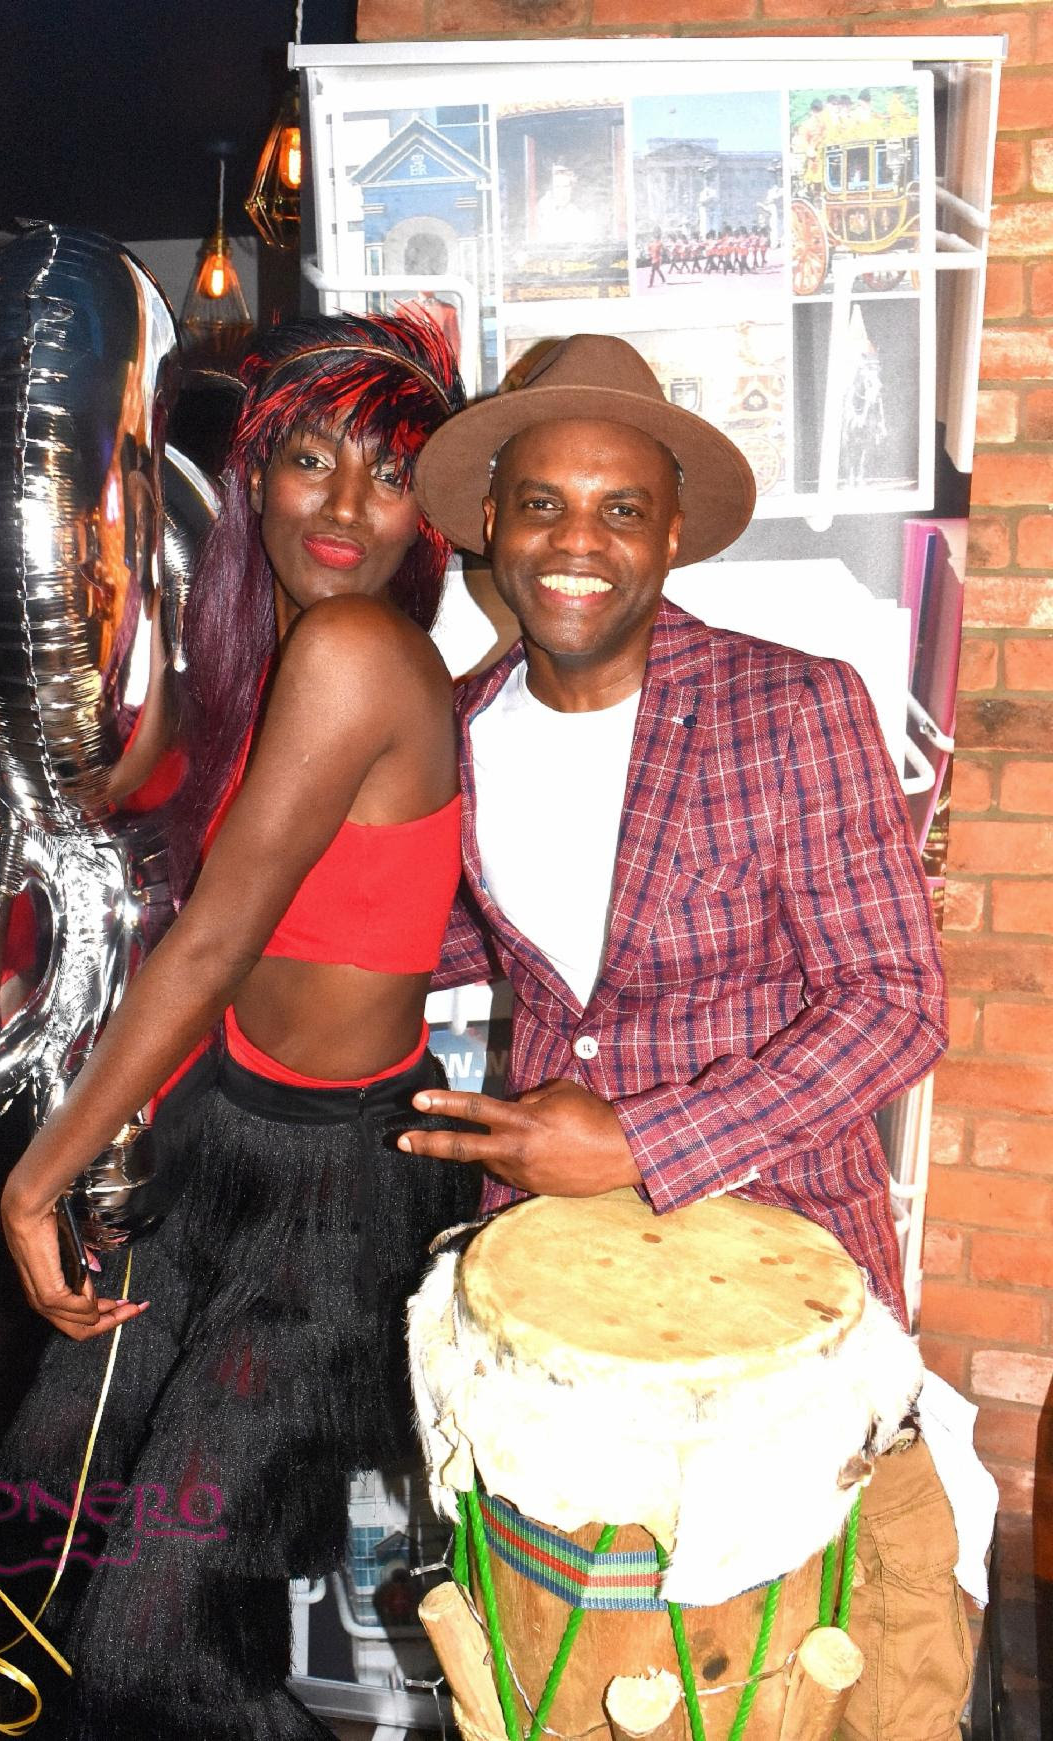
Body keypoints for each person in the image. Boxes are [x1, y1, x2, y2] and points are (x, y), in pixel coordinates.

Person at [400, 333, 974, 1740]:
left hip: (780, 1279)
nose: (576, 543)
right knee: (570, 1676)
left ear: (669, 535)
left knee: (781, 1684)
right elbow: (464, 945)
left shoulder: (792, 707)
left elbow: (898, 1001)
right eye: (543, 504)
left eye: (620, 508)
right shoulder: (454, 731)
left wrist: (644, 1143)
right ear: (492, 523)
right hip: (548, 1290)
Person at [0, 313, 477, 1741]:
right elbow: (122, 819)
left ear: (428, 513)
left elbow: (212, 944)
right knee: (42, 1492)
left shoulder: (358, 650)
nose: (345, 505)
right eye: (312, 459)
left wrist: (33, 1182)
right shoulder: (264, 654)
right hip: (224, 1135)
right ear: (254, 474)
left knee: (157, 1649)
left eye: (390, 475)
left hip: (338, 1196)